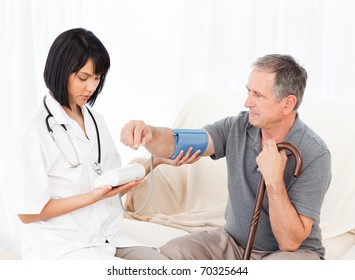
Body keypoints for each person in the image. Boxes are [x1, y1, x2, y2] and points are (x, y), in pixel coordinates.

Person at [120, 54, 332, 260]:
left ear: (287, 103)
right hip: (234, 243)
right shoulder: (238, 127)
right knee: (173, 253)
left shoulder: (315, 153)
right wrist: (149, 133)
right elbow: (179, 142)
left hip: (290, 255)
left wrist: (274, 181)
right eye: (248, 91)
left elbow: (290, 242)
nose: (247, 102)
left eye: (258, 95)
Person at [9, 28, 192, 260]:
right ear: (60, 71)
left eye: (97, 78)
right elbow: (27, 213)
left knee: (163, 266)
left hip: (109, 238)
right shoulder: (33, 132)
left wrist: (157, 161)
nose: (91, 88)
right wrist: (94, 197)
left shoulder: (96, 121)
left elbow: (111, 178)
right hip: (62, 246)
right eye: (83, 78)